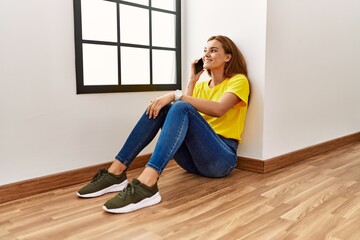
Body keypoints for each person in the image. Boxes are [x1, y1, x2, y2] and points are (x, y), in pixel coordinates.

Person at [77, 35, 250, 214]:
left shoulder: (238, 80)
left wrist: (176, 95)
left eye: (213, 50)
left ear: (228, 57)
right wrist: (192, 80)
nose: (206, 54)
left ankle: (147, 184)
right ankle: (116, 172)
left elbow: (219, 109)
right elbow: (185, 110)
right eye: (205, 50)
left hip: (220, 158)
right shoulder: (201, 85)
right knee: (166, 107)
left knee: (179, 104)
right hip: (192, 161)